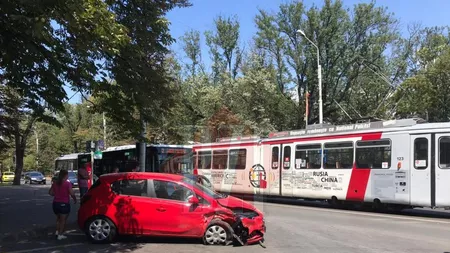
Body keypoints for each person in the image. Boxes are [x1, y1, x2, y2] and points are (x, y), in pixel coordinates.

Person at [48, 169, 77, 240]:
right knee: (63, 220)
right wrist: (75, 199)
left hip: (55, 203)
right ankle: (60, 235)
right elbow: (72, 193)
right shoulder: (67, 183)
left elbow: (50, 193)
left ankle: (57, 231)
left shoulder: (55, 183)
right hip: (64, 203)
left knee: (58, 219)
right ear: (66, 175)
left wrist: (57, 194)